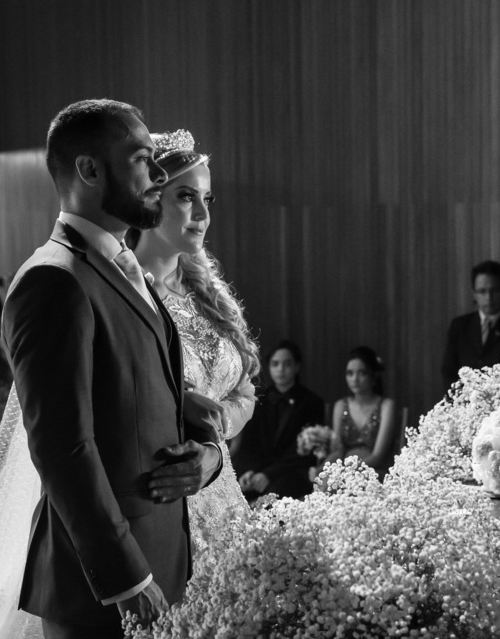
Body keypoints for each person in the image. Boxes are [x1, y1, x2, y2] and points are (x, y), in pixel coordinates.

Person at [0, 99, 224, 639]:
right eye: (142, 160)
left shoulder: (129, 269)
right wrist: (126, 578)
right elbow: (62, 448)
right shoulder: (53, 280)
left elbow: (161, 400)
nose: (154, 177)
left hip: (163, 555)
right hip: (101, 584)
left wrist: (209, 457)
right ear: (89, 171)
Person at [131, 131, 259, 550]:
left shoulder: (208, 293)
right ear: (151, 200)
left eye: (208, 198)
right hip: (161, 499)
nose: (203, 213)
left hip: (221, 495)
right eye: (187, 197)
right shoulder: (126, 297)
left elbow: (245, 391)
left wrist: (218, 440)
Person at [232, 340, 326, 501]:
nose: (281, 369)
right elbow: (249, 443)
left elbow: (304, 452)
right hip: (259, 470)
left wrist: (268, 474)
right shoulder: (257, 400)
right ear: (268, 367)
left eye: (287, 364)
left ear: (297, 367)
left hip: (293, 472)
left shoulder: (312, 402)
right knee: (235, 498)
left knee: (273, 499)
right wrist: (250, 471)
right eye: (275, 364)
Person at [440, 260, 500, 390]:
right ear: (474, 293)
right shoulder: (459, 326)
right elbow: (449, 371)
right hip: (464, 402)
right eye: (482, 291)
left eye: (494, 290)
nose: (488, 298)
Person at [330, 346, 401, 475]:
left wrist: (349, 472)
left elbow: (378, 456)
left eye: (362, 373)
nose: (355, 379)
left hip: (374, 471)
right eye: (350, 373)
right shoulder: (340, 405)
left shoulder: (386, 405)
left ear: (373, 376)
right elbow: (338, 450)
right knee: (324, 485)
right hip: (343, 471)